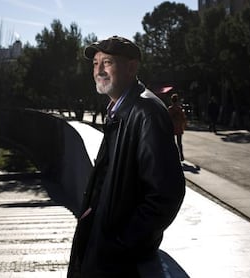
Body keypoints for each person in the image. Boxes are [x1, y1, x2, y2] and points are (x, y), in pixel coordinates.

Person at [68, 36, 185, 277]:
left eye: (107, 62)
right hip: (106, 253)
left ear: (132, 67)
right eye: (95, 63)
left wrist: (120, 243)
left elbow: (166, 194)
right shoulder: (120, 109)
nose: (99, 70)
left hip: (120, 263)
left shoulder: (146, 112)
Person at [168, 93, 187, 161]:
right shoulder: (180, 109)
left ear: (171, 101)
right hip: (179, 126)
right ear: (177, 100)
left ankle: (173, 155)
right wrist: (184, 125)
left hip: (172, 127)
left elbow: (168, 118)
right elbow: (183, 118)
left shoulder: (170, 109)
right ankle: (181, 155)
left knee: (172, 143)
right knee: (179, 143)